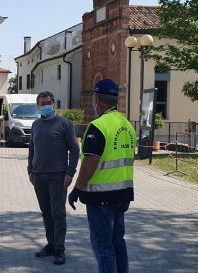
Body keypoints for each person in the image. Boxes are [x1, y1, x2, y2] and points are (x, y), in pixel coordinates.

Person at [68, 79, 136, 273]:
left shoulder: (98, 126)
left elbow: (90, 161)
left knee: (103, 246)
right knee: (118, 244)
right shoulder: (127, 125)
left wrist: (76, 190)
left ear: (97, 99)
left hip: (101, 198)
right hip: (123, 195)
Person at [28, 91, 80, 265]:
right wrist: (30, 170)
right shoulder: (35, 124)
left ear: (54, 103)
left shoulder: (65, 124)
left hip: (58, 177)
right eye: (42, 104)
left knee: (58, 214)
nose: (45, 106)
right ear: (38, 106)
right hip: (39, 177)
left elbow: (74, 149)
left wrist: (70, 173)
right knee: (46, 213)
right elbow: (31, 149)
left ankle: (59, 249)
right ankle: (51, 244)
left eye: (48, 103)